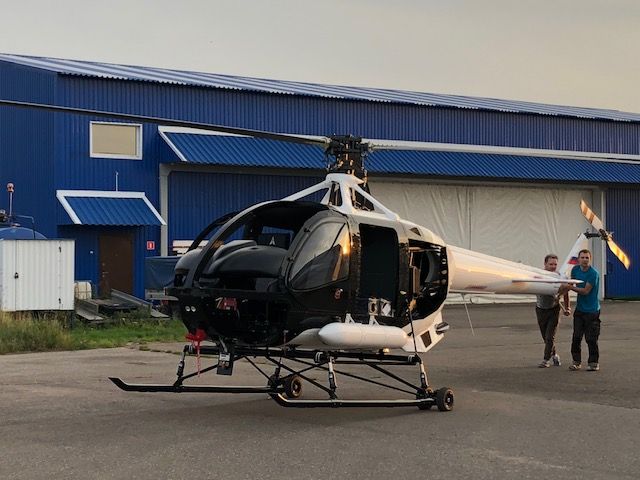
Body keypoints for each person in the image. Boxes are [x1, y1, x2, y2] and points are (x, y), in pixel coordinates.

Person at [563, 249, 601, 371]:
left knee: (591, 338)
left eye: (587, 258)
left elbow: (585, 291)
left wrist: (569, 287)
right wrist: (560, 294)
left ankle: (593, 363)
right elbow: (570, 284)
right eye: (582, 257)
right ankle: (576, 361)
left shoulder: (593, 273)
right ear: (578, 259)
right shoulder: (575, 270)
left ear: (590, 259)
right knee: (576, 337)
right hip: (580, 310)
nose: (584, 260)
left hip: (592, 310)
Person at [535, 254, 571, 368]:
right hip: (541, 309)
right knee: (545, 337)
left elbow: (566, 291)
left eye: (555, 264)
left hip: (554, 310)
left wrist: (567, 307)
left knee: (550, 336)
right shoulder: (538, 276)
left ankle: (546, 360)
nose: (553, 266)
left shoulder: (559, 276)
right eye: (551, 264)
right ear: (545, 264)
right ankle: (554, 355)